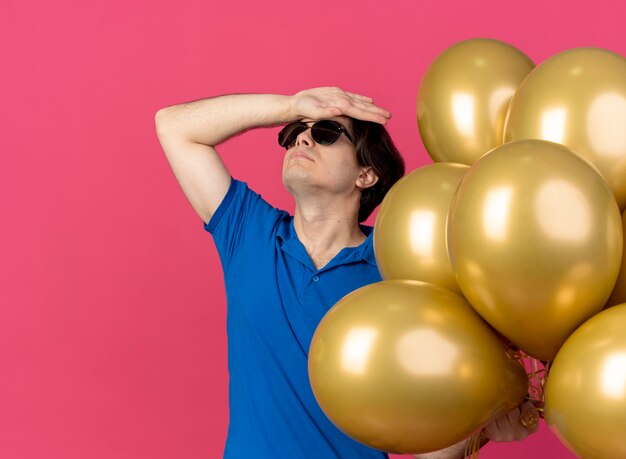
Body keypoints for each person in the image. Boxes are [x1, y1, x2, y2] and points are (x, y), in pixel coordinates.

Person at [155, 87, 538, 459]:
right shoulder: (249, 233)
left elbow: (427, 449)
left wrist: (481, 430)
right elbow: (174, 126)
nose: (301, 141)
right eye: (293, 134)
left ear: (366, 174)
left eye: (325, 133)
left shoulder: (400, 266)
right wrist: (289, 106)